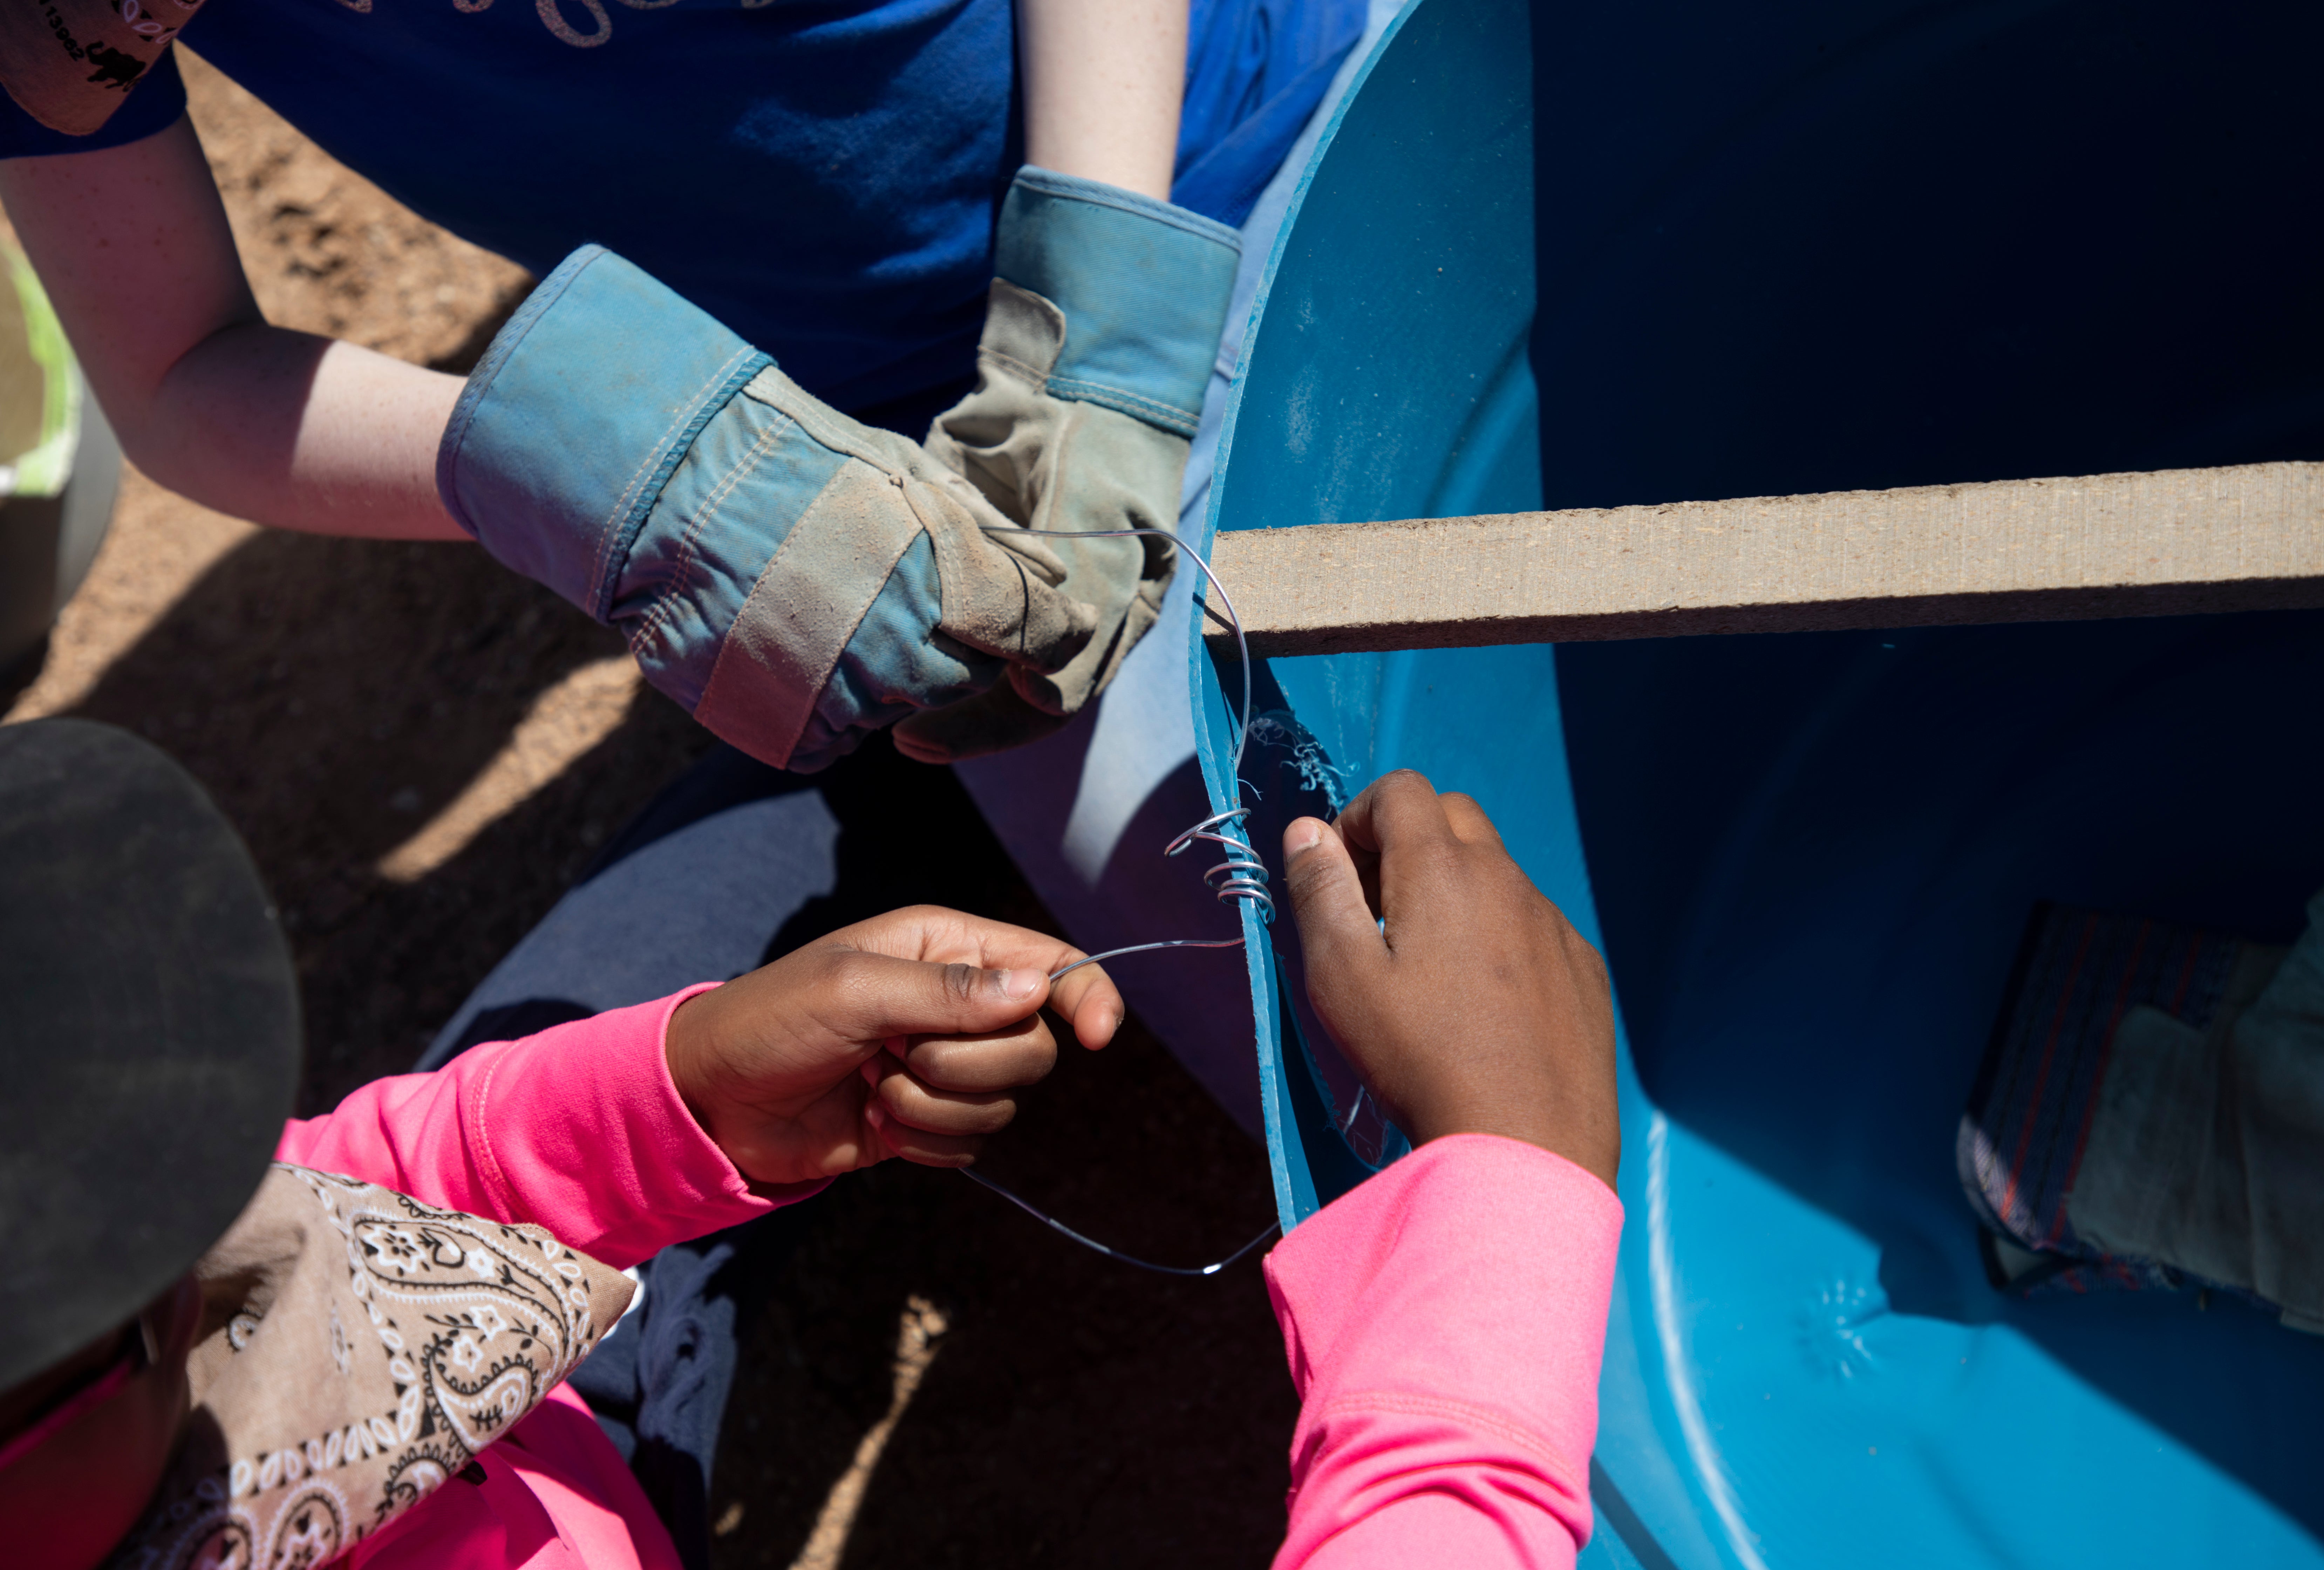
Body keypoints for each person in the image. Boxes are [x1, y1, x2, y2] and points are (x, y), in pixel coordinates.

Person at [0, 0, 1389, 1135]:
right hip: (897, 437)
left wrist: (1104, 325)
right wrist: (620, 475)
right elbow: (178, 374)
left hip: (1245, 141)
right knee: (1332, 1011)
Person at [0, 718, 1622, 1569]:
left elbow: (334, 1207)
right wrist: (1505, 1202)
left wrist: (678, 1096)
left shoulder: (210, 1309)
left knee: (889, 749)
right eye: (132, 1297)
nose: (225, 1256)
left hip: (507, 1371)